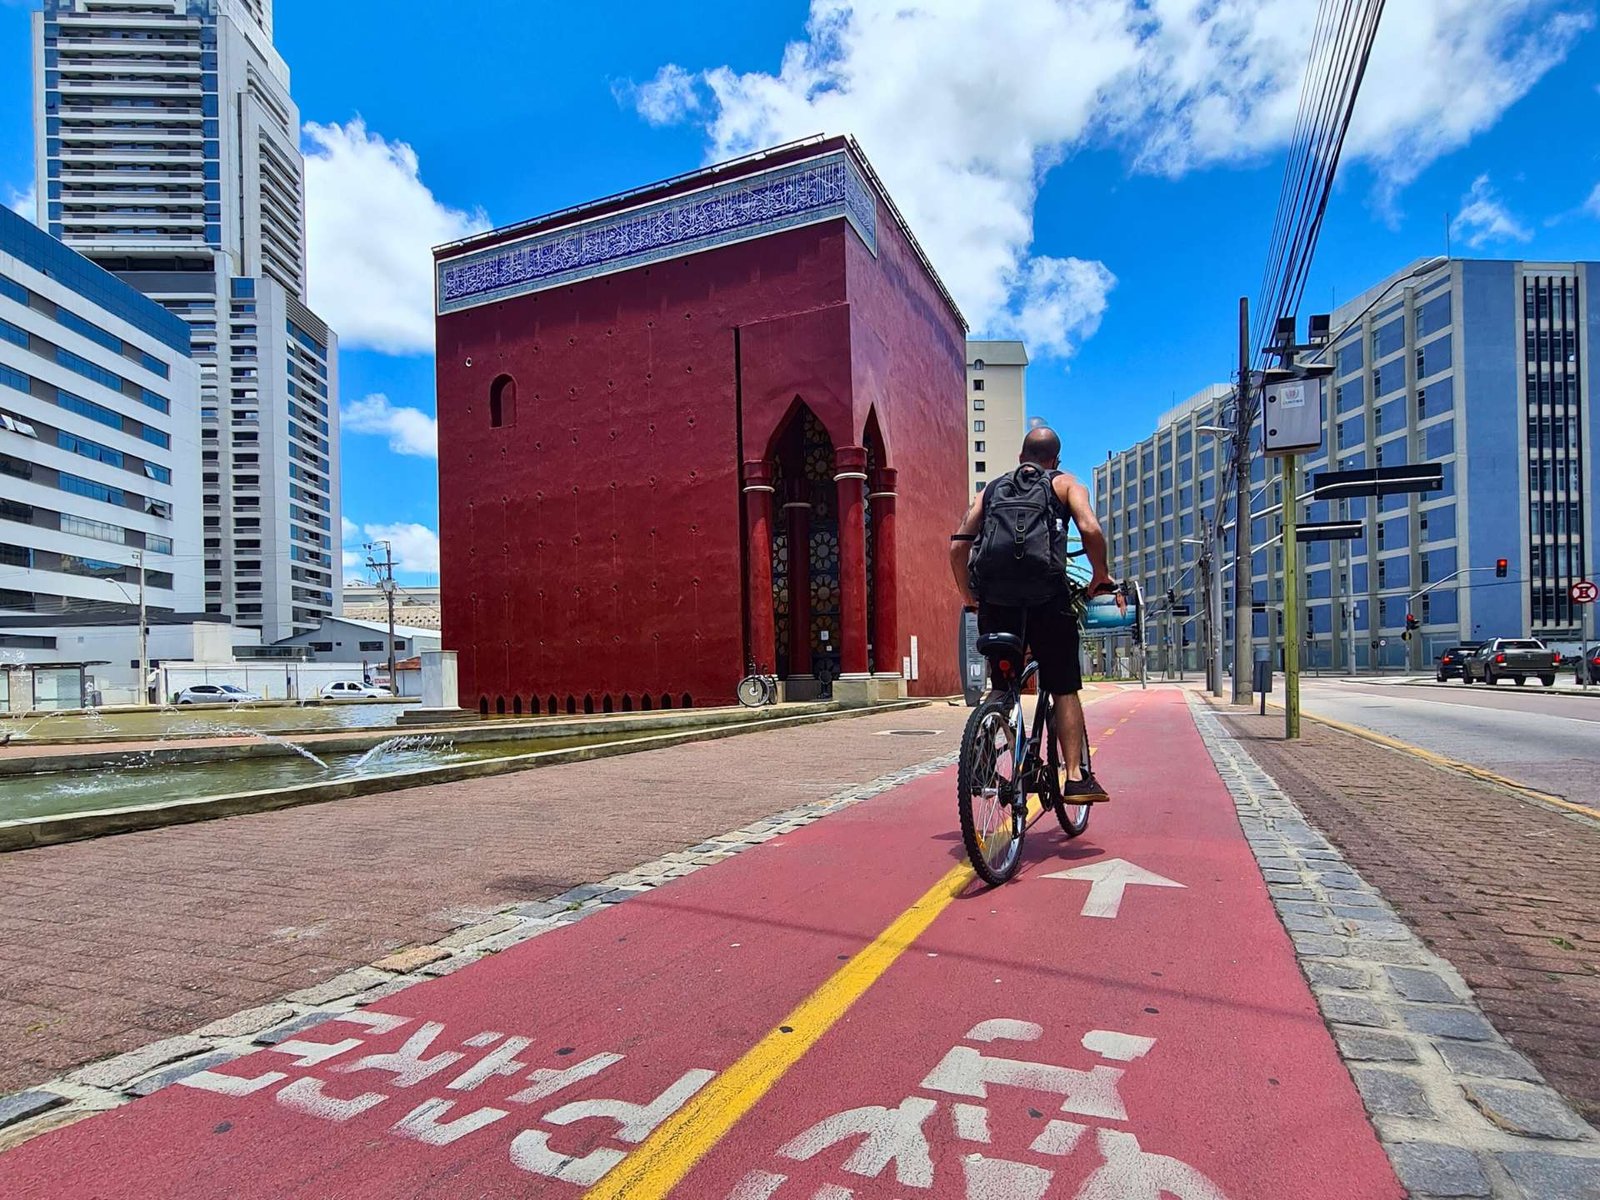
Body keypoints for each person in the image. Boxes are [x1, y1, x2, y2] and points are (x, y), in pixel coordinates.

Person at [950, 426, 1119, 802]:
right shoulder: (1066, 484)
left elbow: (959, 544)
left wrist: (969, 597)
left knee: (1001, 686)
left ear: (1020, 457)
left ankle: (996, 746)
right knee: (1063, 686)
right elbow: (1090, 528)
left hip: (996, 602)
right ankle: (1075, 777)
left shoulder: (991, 490)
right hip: (1048, 601)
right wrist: (1100, 576)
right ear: (1054, 460)